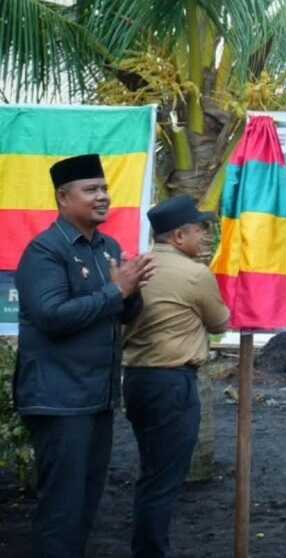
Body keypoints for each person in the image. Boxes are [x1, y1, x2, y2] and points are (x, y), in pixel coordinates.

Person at [14, 153, 154, 557]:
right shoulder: (45, 251)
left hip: (98, 397)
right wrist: (117, 291)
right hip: (59, 401)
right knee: (62, 512)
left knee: (88, 506)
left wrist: (132, 290)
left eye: (105, 188)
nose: (102, 197)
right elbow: (52, 316)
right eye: (91, 190)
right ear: (63, 197)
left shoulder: (106, 246)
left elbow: (122, 313)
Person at [122, 195, 230, 558]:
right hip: (172, 383)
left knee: (151, 470)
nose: (205, 237)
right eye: (200, 230)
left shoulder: (135, 268)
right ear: (179, 236)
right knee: (163, 479)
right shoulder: (194, 273)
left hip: (137, 380)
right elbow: (219, 321)